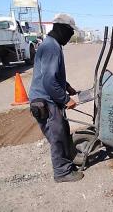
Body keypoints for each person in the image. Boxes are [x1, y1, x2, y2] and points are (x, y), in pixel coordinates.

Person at [29, 13, 82, 183]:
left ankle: (69, 161)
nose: (71, 35)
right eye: (70, 31)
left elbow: (53, 74)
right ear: (60, 29)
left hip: (49, 98)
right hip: (45, 101)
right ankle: (62, 172)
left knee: (63, 130)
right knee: (57, 136)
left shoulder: (52, 44)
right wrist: (66, 99)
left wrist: (67, 87)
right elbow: (49, 80)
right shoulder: (51, 47)